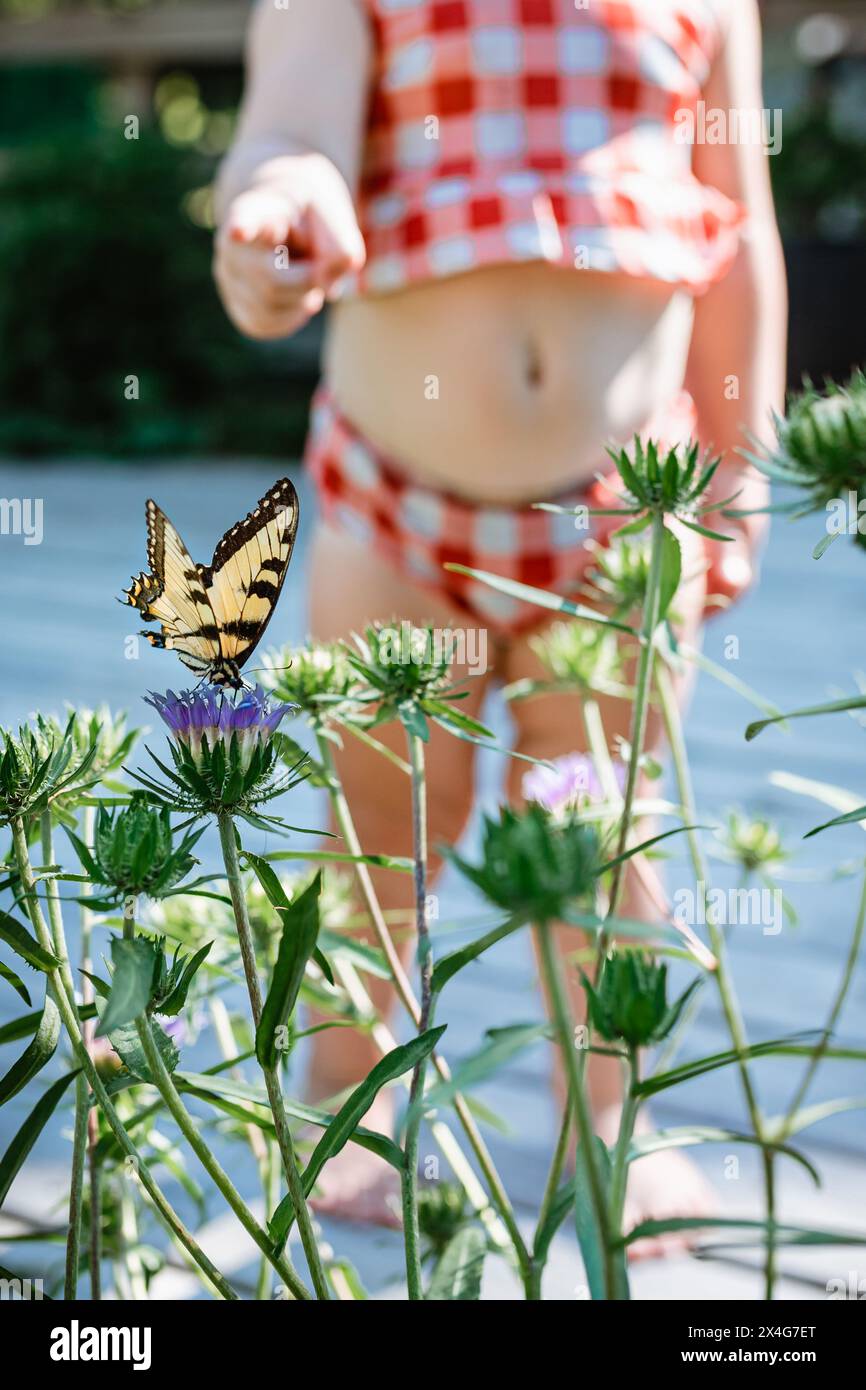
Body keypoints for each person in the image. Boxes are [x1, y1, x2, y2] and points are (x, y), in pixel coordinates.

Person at [214, 0, 787, 1256]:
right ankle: (345, 1109)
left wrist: (743, 460)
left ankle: (610, 1123)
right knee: (378, 811)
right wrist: (278, 216)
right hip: (398, 502)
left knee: (601, 816)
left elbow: (735, 224)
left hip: (624, 501)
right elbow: (288, 136)